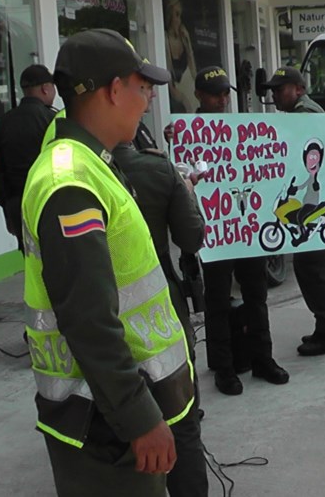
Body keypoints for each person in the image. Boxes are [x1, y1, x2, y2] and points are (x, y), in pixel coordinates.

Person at [21, 28, 194, 496]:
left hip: (107, 413)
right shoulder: (70, 181)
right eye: (143, 88)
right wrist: (139, 419)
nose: (148, 100)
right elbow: (88, 318)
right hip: (102, 424)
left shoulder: (91, 162)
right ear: (114, 90)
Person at [112, 126, 207, 496]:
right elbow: (192, 236)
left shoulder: (66, 173)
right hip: (159, 307)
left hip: (101, 319)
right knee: (180, 417)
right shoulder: (157, 170)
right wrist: (188, 193)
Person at [195, 66, 289, 392]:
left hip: (248, 228)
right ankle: (224, 367)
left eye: (225, 94)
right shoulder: (187, 133)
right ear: (199, 96)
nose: (221, 100)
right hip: (216, 231)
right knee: (218, 300)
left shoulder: (241, 128)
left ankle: (262, 358)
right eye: (215, 94)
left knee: (256, 296)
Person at [260, 67, 325, 357]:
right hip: (322, 198)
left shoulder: (303, 115)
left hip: (315, 198)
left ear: (298, 89)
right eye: (272, 89)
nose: (274, 94)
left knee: (310, 265)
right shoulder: (309, 111)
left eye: (280, 88)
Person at [0, 64, 58, 250]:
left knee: (31, 260)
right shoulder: (53, 120)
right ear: (46, 88)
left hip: (17, 205)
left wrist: (9, 209)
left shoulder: (4, 123)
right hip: (49, 202)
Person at [165, 0, 197, 113]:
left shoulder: (183, 38)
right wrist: (184, 99)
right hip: (177, 92)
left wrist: (188, 45)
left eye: (180, 15)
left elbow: (194, 73)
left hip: (189, 88)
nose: (179, 20)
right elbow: (169, 77)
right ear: (170, 15)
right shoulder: (165, 39)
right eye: (176, 15)